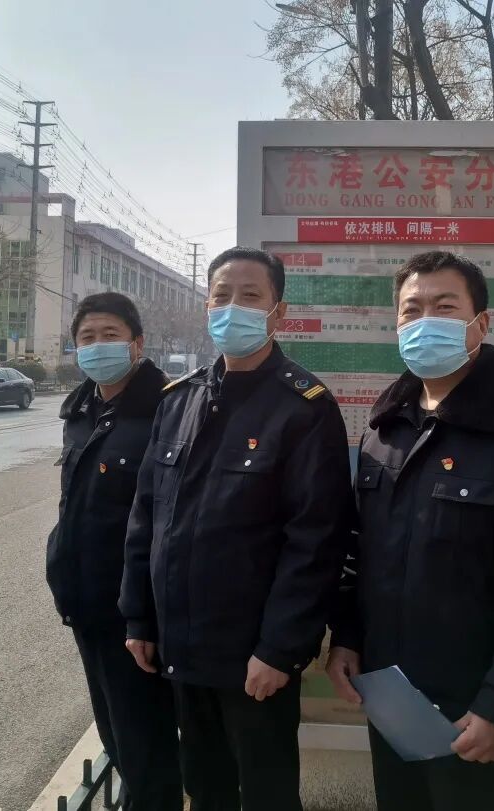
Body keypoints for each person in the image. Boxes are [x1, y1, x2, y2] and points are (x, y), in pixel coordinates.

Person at [325, 251, 494, 811]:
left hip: (473, 710)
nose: (425, 321)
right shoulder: (384, 430)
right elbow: (360, 549)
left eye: (444, 307)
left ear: (480, 324)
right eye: (411, 310)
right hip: (390, 695)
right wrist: (347, 637)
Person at [120, 247, 353, 811]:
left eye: (250, 297)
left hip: (254, 658)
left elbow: (316, 541)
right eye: (221, 296)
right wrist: (139, 617)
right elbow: (147, 516)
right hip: (181, 646)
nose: (233, 308)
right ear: (207, 306)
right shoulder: (179, 400)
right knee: (205, 790)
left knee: (267, 795)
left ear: (278, 312)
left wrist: (280, 649)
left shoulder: (305, 408)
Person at [45, 293, 182, 811]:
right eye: (87, 337)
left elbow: (169, 521)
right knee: (115, 736)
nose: (97, 346)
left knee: (146, 748)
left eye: (110, 335)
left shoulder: (170, 408)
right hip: (87, 606)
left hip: (137, 618)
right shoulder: (81, 409)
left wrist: (143, 617)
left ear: (136, 344)